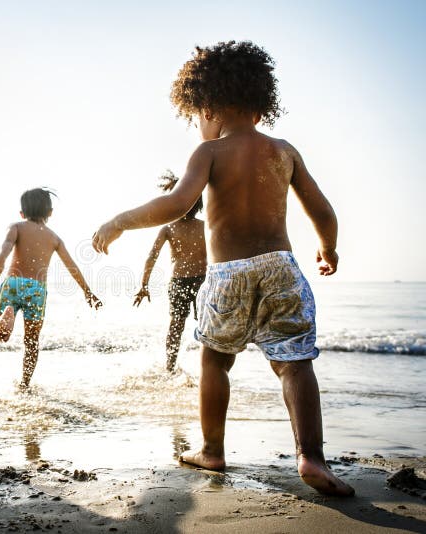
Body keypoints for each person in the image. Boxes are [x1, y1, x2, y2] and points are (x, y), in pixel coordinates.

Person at [92, 41, 353, 496]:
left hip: (227, 273)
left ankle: (212, 449)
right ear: (259, 100)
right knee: (294, 363)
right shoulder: (284, 150)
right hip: (281, 268)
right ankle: (311, 456)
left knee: (215, 359)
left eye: (196, 115)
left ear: (208, 104)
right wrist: (327, 248)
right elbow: (323, 211)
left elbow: (175, 205)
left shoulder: (209, 153)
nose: (198, 125)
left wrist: (119, 222)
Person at [0, 188, 102, 390]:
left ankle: (6, 316)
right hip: (37, 290)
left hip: (14, 283)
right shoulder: (54, 238)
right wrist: (87, 291)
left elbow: (6, 245)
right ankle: (24, 384)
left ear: (22, 213)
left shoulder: (16, 227)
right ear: (50, 212)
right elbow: (72, 266)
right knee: (32, 342)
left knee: (1, 335)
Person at [133, 171, 206, 372]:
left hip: (186, 281)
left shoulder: (171, 228)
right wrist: (144, 284)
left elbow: (152, 256)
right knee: (204, 325)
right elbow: (152, 256)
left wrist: (144, 285)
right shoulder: (203, 228)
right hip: (200, 281)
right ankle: (182, 366)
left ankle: (170, 367)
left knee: (178, 324)